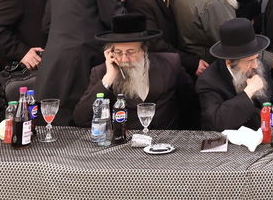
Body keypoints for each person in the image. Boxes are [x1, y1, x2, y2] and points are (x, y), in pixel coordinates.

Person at [70, 13, 198, 129]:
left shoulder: (170, 65)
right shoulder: (102, 73)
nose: (124, 59)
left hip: (167, 142)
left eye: (131, 52)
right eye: (118, 52)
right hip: (125, 144)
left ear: (144, 50)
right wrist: (109, 78)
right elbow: (81, 118)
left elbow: (191, 105)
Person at [196, 18, 273, 131]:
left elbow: (268, 107)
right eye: (249, 61)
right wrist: (248, 92)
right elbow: (216, 122)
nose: (255, 65)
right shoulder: (208, 81)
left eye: (256, 58)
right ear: (229, 62)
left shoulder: (258, 65)